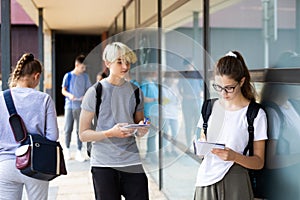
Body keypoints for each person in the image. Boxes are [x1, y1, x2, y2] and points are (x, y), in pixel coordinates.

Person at [79, 42, 149, 200]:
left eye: (127, 61)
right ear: (107, 63)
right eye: (119, 61)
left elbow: (139, 124)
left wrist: (142, 129)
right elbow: (83, 134)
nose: (125, 66)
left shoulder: (136, 92)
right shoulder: (95, 92)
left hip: (131, 161)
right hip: (103, 164)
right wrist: (111, 133)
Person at [194, 51, 268, 200]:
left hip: (236, 182)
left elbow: (259, 162)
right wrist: (200, 147)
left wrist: (234, 156)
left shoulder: (255, 114)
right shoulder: (209, 107)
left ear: (241, 82)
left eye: (229, 88)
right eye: (218, 87)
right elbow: (202, 143)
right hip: (205, 181)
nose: (223, 93)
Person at [0, 53, 59, 199]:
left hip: (6, 164)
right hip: (36, 164)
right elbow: (53, 136)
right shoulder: (44, 99)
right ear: (36, 76)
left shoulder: (1, 98)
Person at [61, 54, 92, 162]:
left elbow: (89, 90)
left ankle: (79, 152)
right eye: (82, 67)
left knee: (80, 130)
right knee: (67, 129)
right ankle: (67, 150)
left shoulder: (85, 77)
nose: (84, 69)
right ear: (77, 65)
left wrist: (86, 96)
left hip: (81, 107)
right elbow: (63, 90)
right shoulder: (68, 76)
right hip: (69, 106)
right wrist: (69, 95)